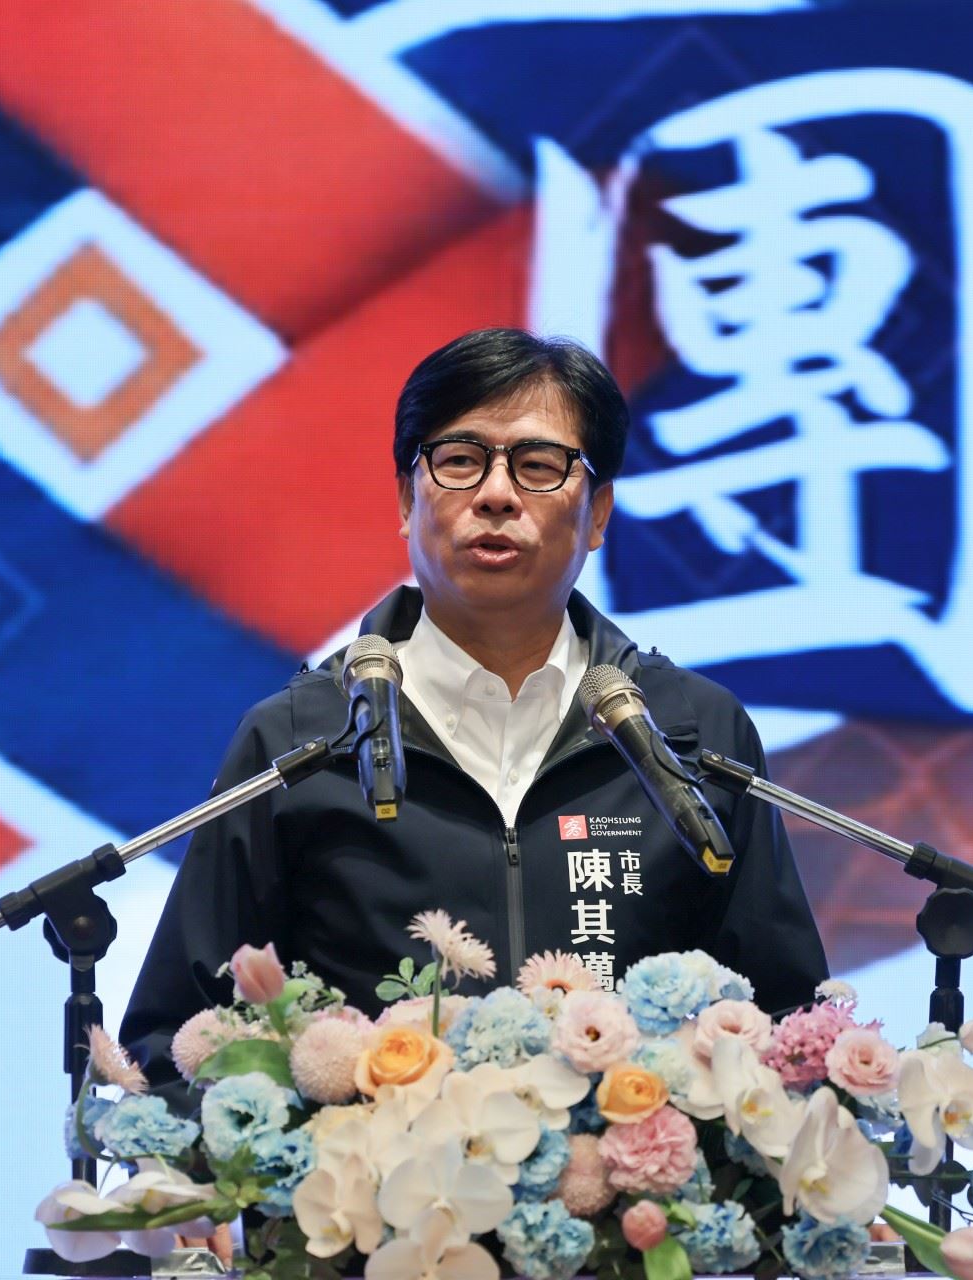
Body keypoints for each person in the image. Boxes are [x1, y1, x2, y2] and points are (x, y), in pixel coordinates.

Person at [118, 327, 830, 1096]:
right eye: (460, 461)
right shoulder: (302, 739)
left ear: (598, 514)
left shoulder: (693, 734)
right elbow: (178, 1042)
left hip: (641, 1169)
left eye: (538, 466)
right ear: (406, 498)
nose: (495, 494)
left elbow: (787, 1028)